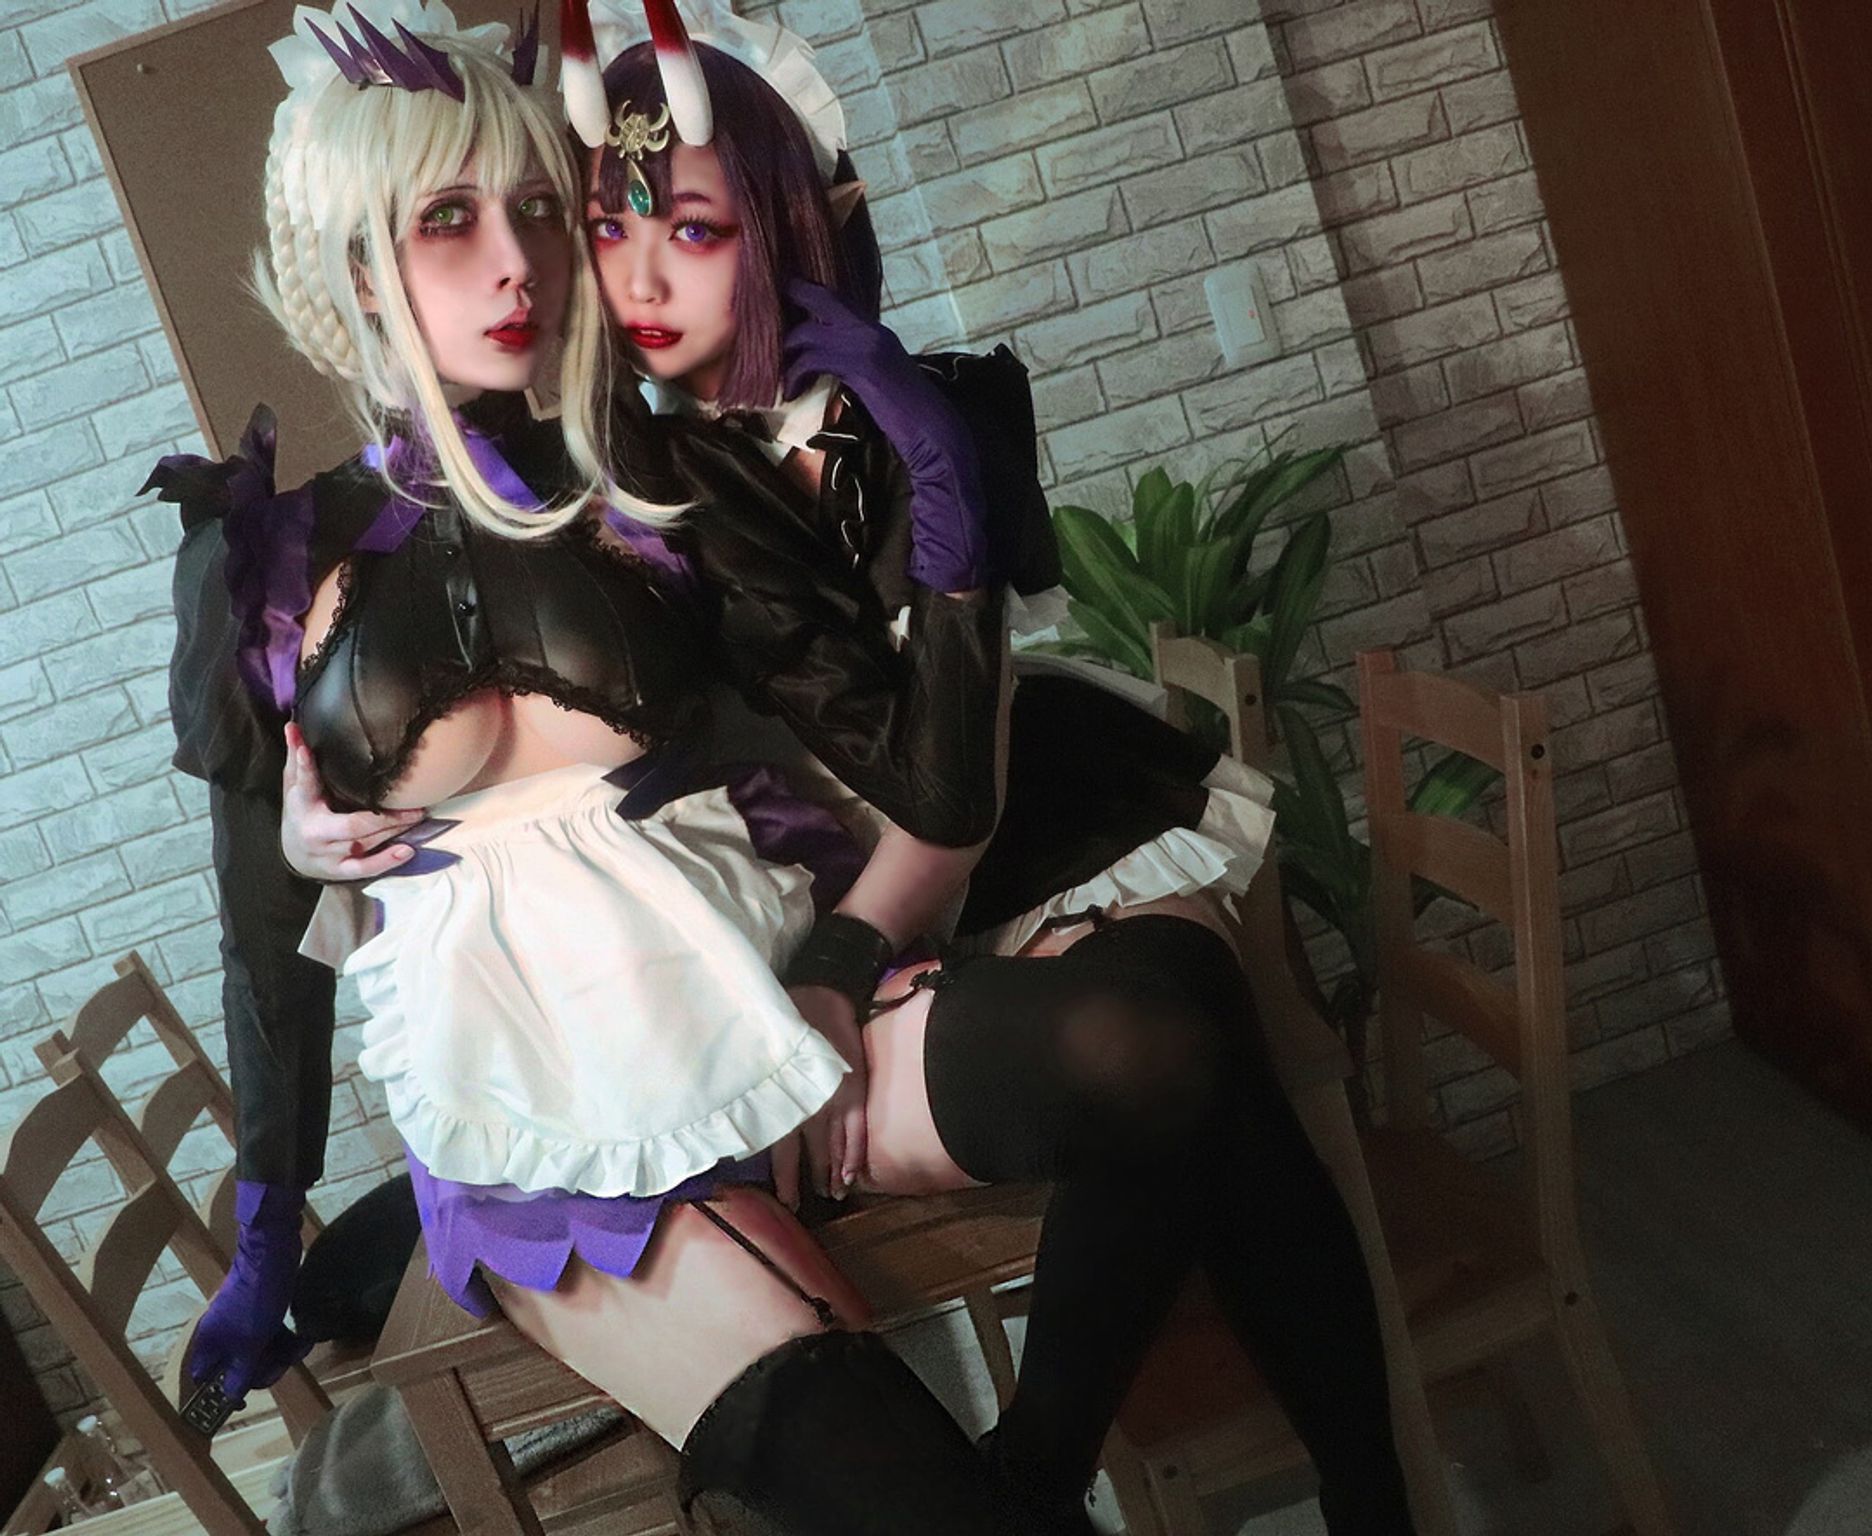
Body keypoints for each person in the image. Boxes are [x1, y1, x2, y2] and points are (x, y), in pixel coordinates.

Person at [284, 6, 1421, 1530]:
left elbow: (944, 781)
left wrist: (937, 460)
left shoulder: (848, 432)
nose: (628, 277)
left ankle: (1245, 1484)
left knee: (1190, 1044)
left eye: (691, 229)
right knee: (1170, 1072)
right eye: (605, 226)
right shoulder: (615, 460)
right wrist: (312, 829)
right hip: (803, 898)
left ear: (786, 227)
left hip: (1013, 826)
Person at [147, 7, 1048, 1530]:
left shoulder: (654, 478)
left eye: (535, 210)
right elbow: (264, 945)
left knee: (1145, 1049)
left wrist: (948, 499)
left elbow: (936, 789)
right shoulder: (275, 565)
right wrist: (262, 1232)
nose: (518, 263)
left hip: (758, 1000)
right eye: (447, 221)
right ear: (357, 269)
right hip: (535, 1115)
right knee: (885, 1469)